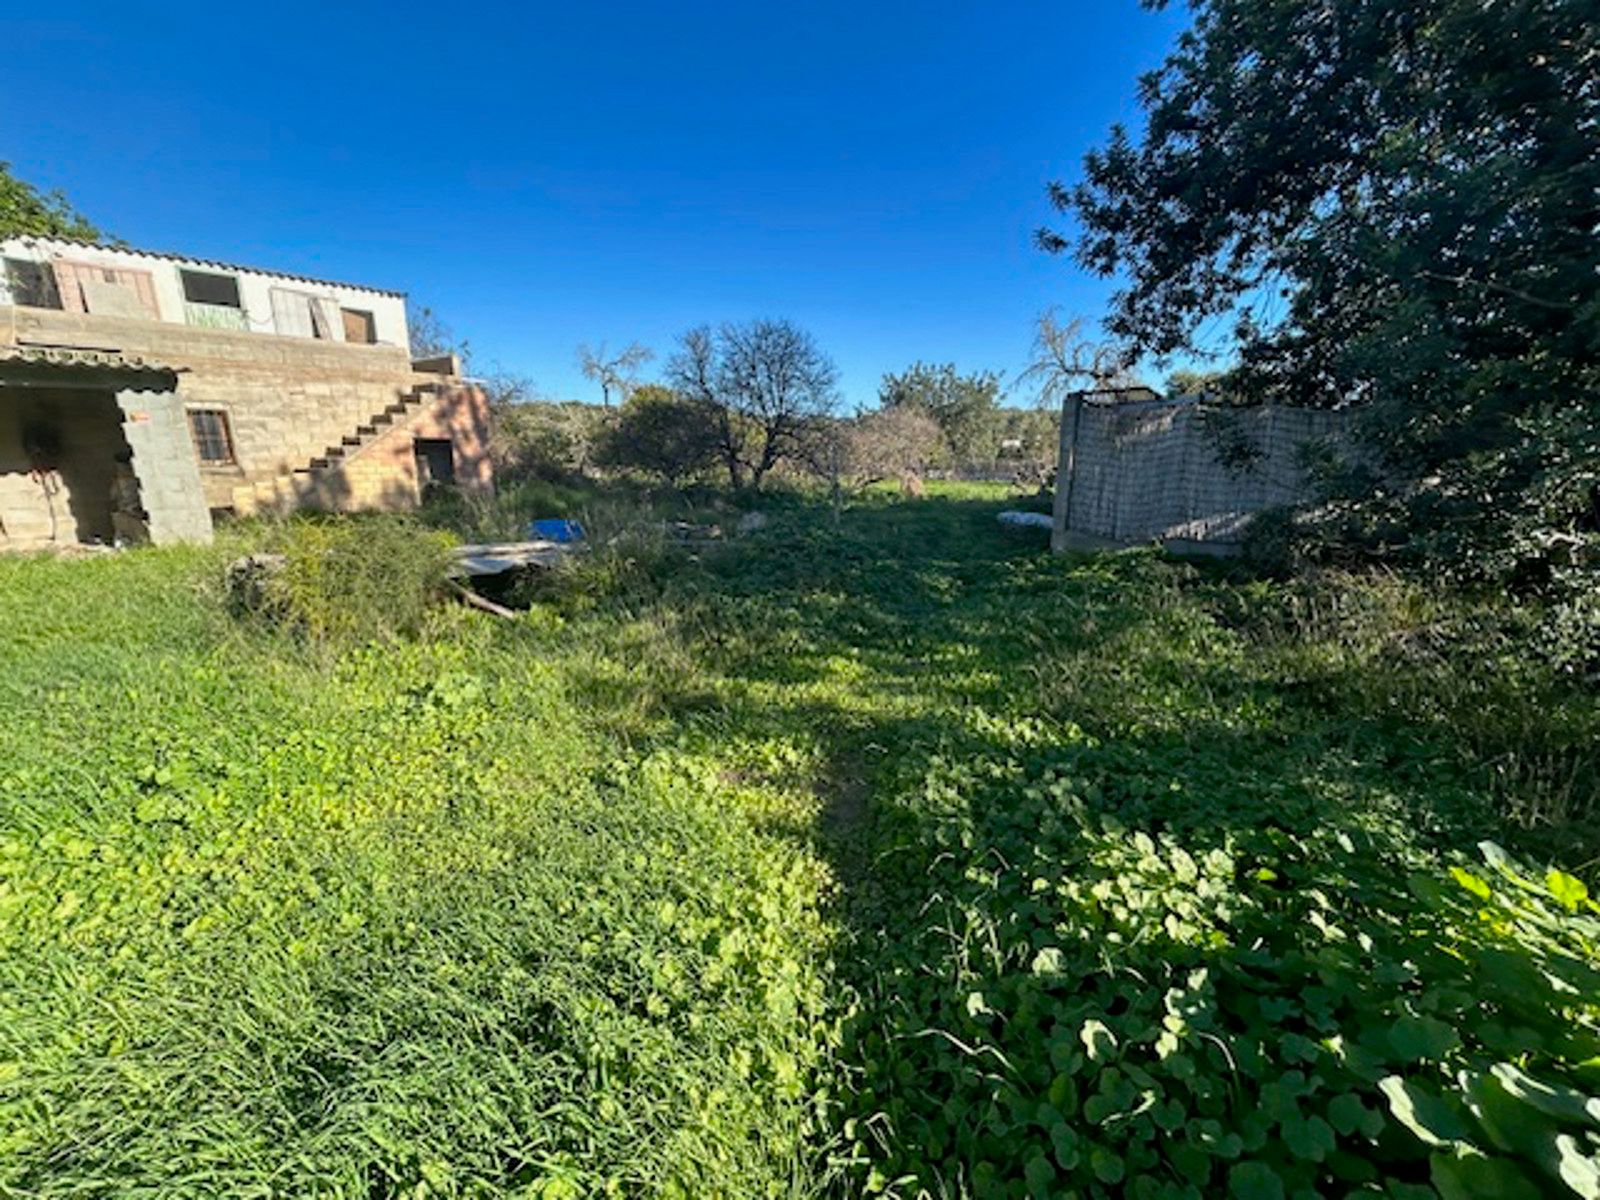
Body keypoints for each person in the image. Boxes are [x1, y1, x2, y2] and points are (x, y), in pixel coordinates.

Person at [110, 448, 150, 546]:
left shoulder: (132, 479)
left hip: (133, 512)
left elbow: (114, 496)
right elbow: (114, 496)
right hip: (126, 512)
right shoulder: (120, 481)